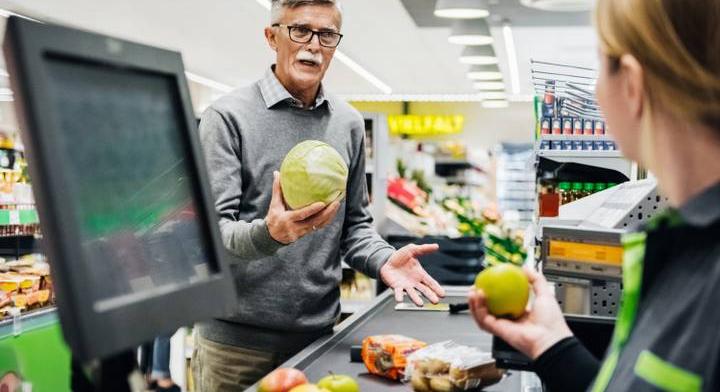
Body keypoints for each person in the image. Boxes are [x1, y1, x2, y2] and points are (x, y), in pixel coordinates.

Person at [193, 0, 445, 390]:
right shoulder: (227, 118)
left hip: (317, 339)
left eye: (327, 35)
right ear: (271, 36)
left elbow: (355, 227)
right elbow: (211, 239)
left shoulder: (347, 124)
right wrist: (270, 234)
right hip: (236, 349)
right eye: (300, 31)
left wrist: (384, 260)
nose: (313, 45)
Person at [469, 0, 720, 391]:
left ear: (633, 86)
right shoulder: (682, 248)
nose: (596, 93)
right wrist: (551, 344)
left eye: (600, 66)